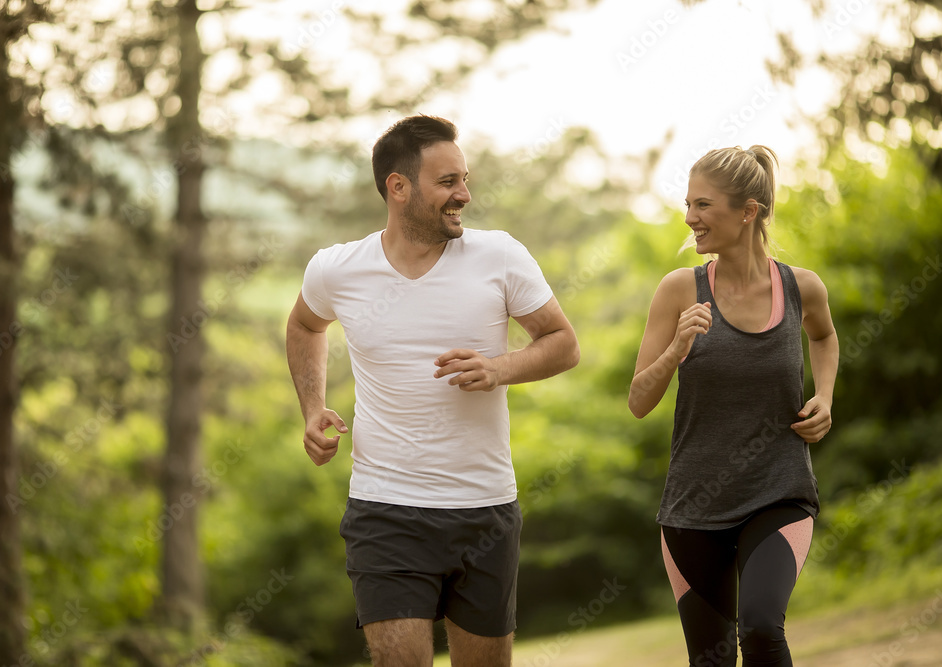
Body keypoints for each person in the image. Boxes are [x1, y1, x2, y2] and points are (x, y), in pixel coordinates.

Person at [286, 114, 579, 667]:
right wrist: (311, 407)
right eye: (448, 183)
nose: (464, 195)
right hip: (385, 508)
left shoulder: (500, 256)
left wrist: (500, 368)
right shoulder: (337, 269)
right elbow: (304, 325)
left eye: (464, 180)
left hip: (484, 508)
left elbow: (563, 343)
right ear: (398, 187)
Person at [628, 145, 838, 667]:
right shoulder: (679, 290)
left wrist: (825, 396)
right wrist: (676, 349)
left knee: (763, 629)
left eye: (702, 205)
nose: (689, 218)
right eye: (687, 204)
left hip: (779, 491)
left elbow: (825, 337)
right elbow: (638, 401)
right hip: (693, 506)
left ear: (748, 211)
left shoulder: (801, 287)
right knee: (711, 659)